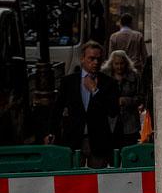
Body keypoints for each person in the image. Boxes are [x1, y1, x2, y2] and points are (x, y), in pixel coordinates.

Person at [46, 41, 120, 169]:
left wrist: (95, 91)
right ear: (82, 59)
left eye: (98, 59)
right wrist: (51, 133)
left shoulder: (109, 83)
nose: (96, 63)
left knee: (98, 181)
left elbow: (113, 111)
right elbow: (57, 109)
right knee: (73, 180)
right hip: (74, 139)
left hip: (99, 141)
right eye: (91, 58)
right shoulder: (68, 81)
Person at [105, 50, 143, 148]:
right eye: (116, 64)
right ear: (112, 64)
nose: (119, 67)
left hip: (130, 124)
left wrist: (127, 100)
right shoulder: (105, 77)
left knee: (129, 151)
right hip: (111, 123)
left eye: (122, 63)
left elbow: (141, 96)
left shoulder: (134, 76)